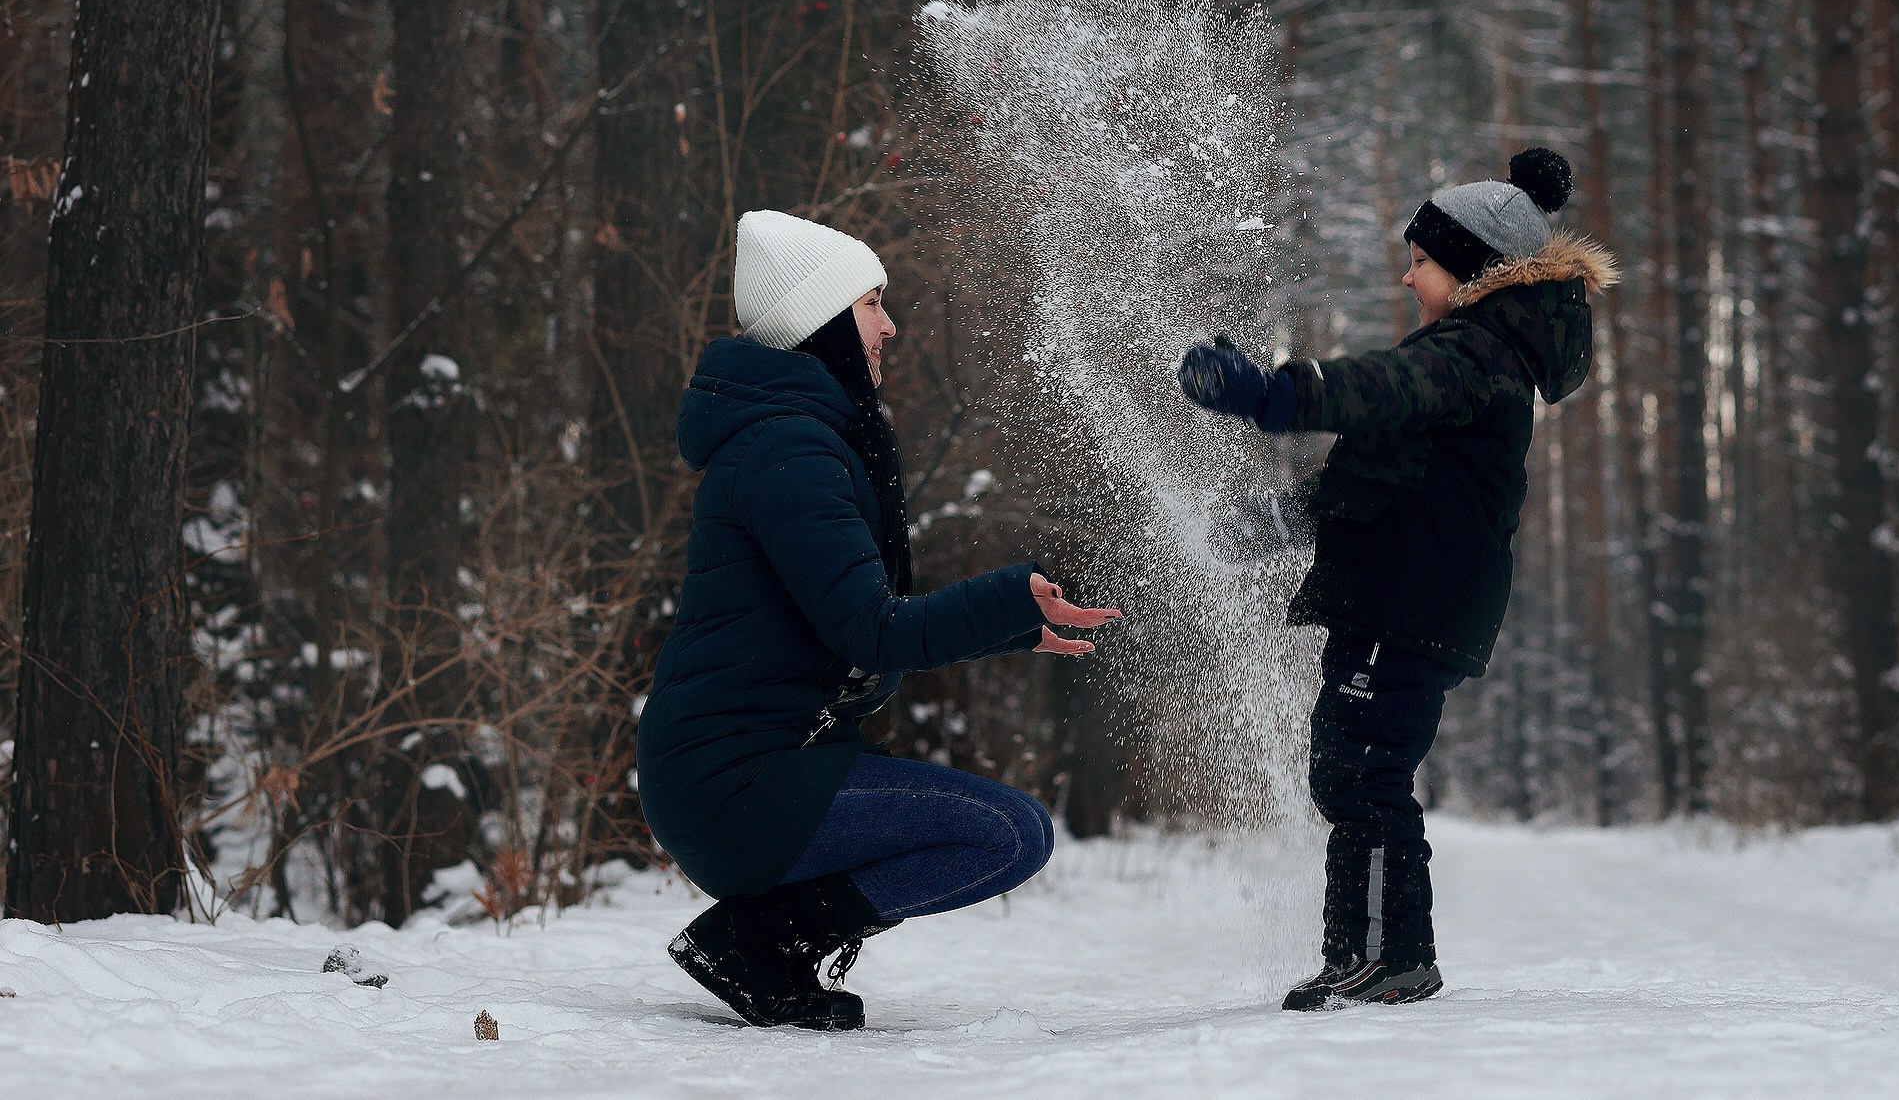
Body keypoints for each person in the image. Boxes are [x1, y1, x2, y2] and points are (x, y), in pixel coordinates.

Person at [638, 208, 1121, 1032]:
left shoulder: (792, 439)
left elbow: (847, 622)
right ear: (821, 319)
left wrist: (1012, 626)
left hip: (744, 771)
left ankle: (764, 940)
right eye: (870, 304)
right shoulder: (788, 451)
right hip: (734, 783)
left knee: (1006, 831)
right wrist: (1008, 598)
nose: (890, 326)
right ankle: (759, 940)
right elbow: (871, 630)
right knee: (1008, 833)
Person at [1177, 149, 1615, 1010]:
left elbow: (1374, 389)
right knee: (1350, 770)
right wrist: (1269, 526)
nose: (1405, 276)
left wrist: (1271, 393)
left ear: (1471, 269)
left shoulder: (1467, 357)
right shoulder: (1475, 359)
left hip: (1411, 601)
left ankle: (1389, 959)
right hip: (1404, 595)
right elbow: (1373, 481)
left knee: (1363, 772)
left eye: (1419, 261)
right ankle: (1366, 956)